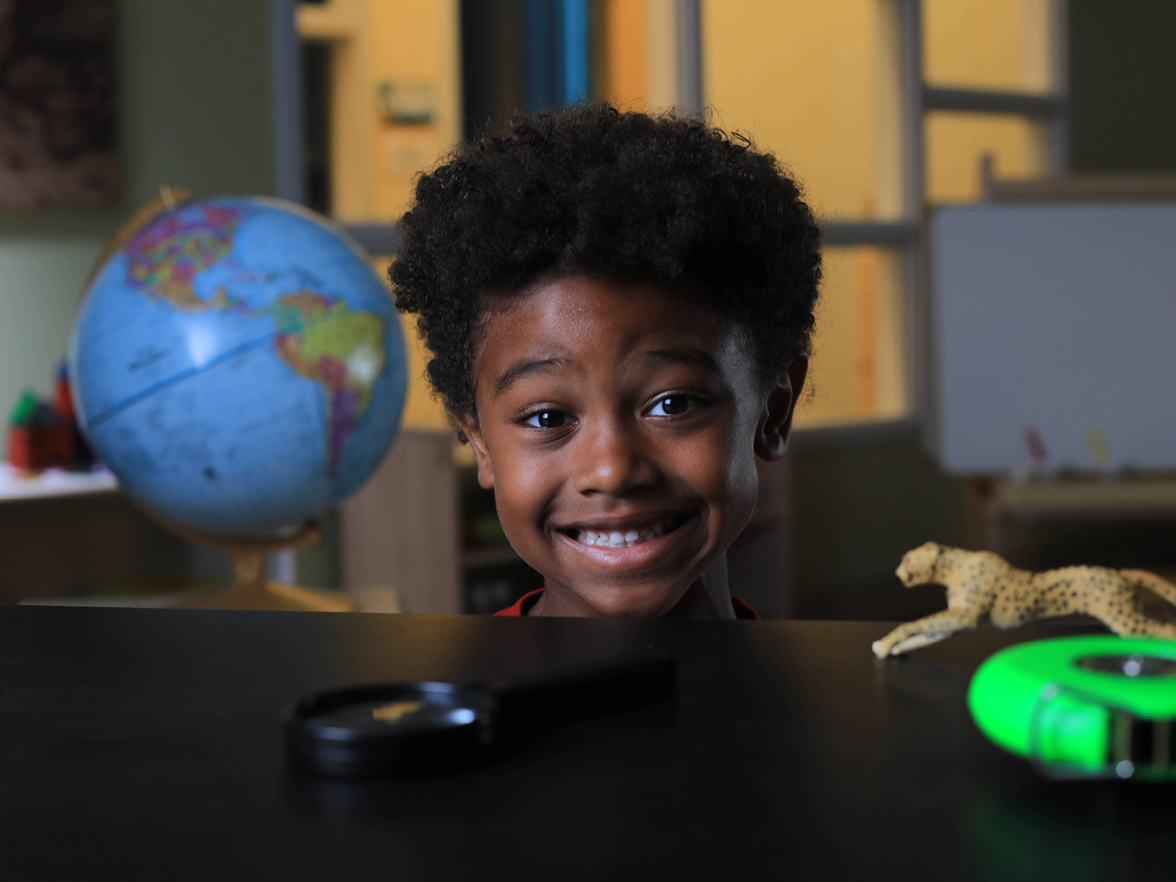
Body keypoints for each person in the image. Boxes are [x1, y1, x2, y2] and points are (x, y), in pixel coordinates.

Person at [390, 103, 821, 619]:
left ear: (774, 411)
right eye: (547, 418)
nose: (613, 470)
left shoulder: (835, 697)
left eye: (673, 404)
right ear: (479, 438)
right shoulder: (450, 696)